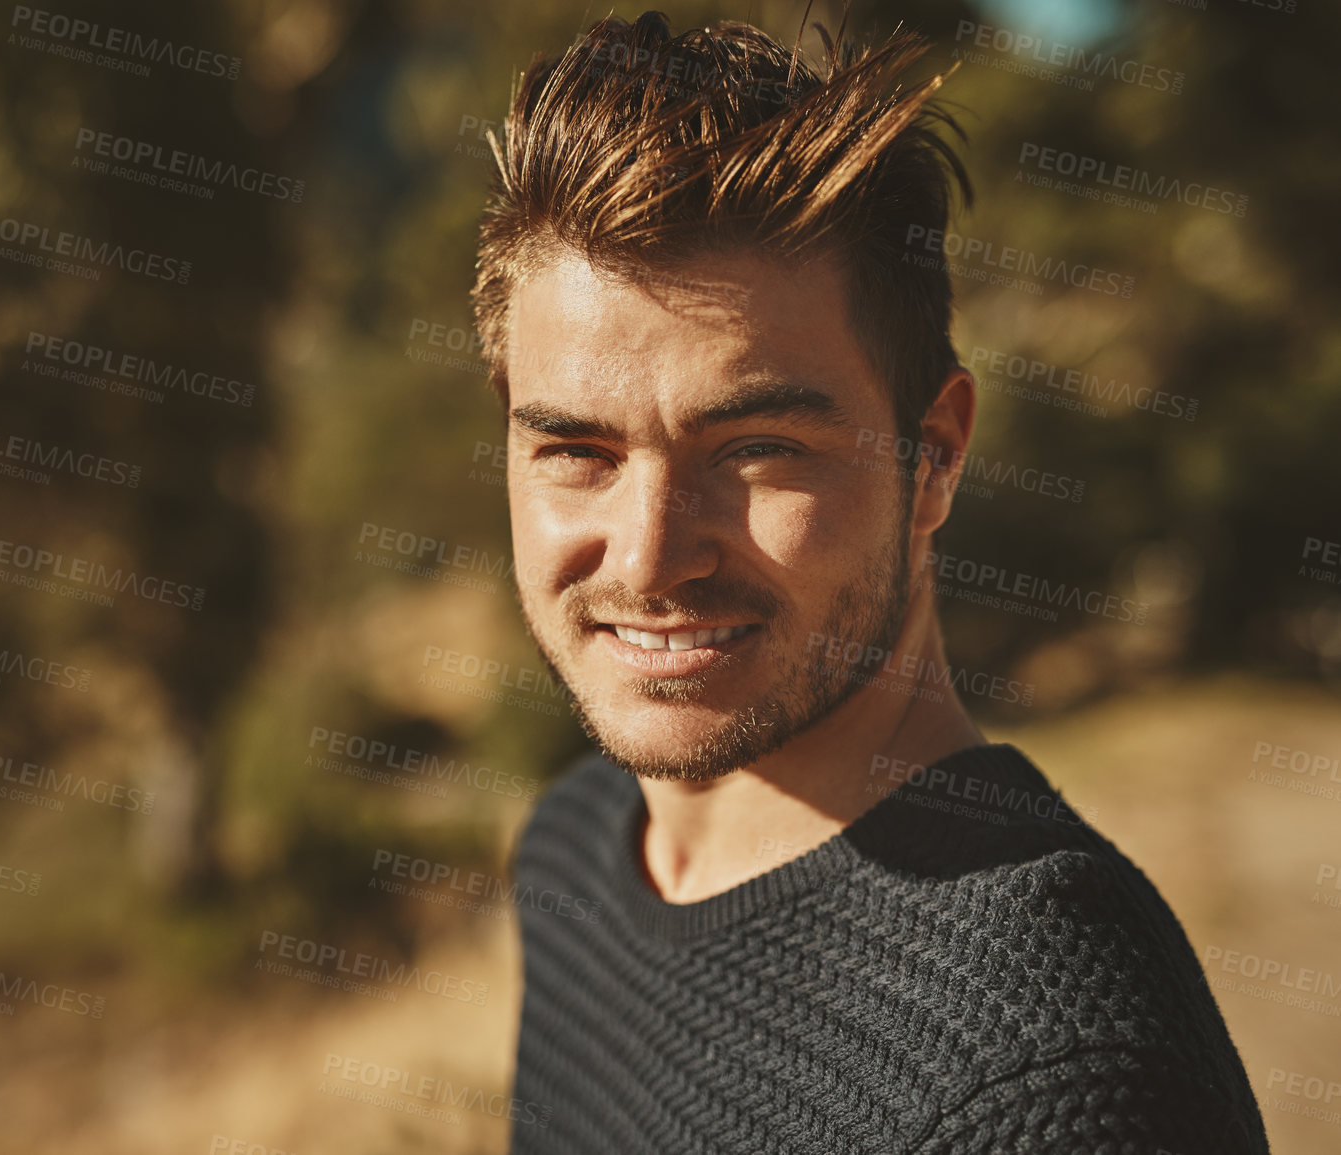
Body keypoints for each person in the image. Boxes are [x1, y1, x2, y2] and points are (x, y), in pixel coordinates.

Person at [470, 11, 1268, 1153]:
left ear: (933, 454)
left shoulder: (1057, 1076)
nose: (649, 556)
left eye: (758, 450)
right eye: (578, 453)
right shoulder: (576, 849)